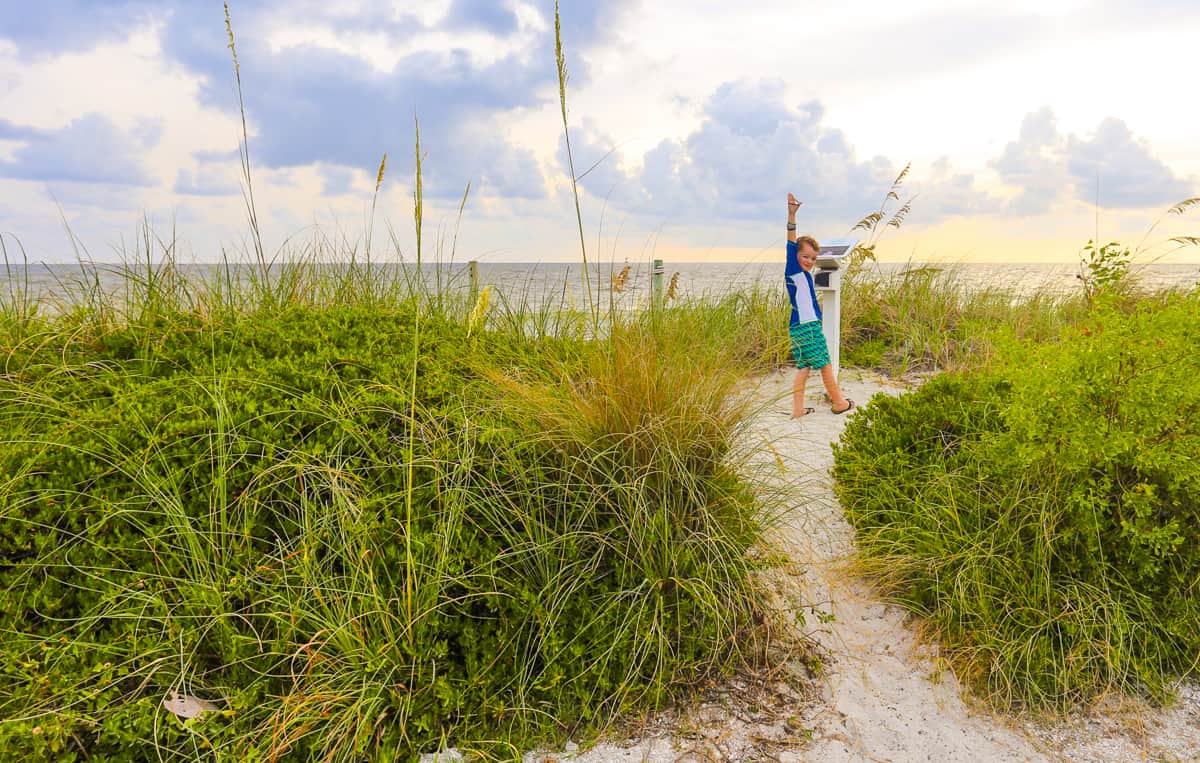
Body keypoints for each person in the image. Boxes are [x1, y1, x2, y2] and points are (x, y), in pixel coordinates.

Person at [785, 192, 854, 418]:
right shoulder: (793, 269)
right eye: (805, 256)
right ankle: (839, 402)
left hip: (798, 326)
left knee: (804, 367)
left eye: (813, 259)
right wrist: (792, 215)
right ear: (796, 255)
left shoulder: (804, 274)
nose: (809, 261)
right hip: (807, 327)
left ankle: (797, 410)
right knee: (825, 363)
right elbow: (790, 241)